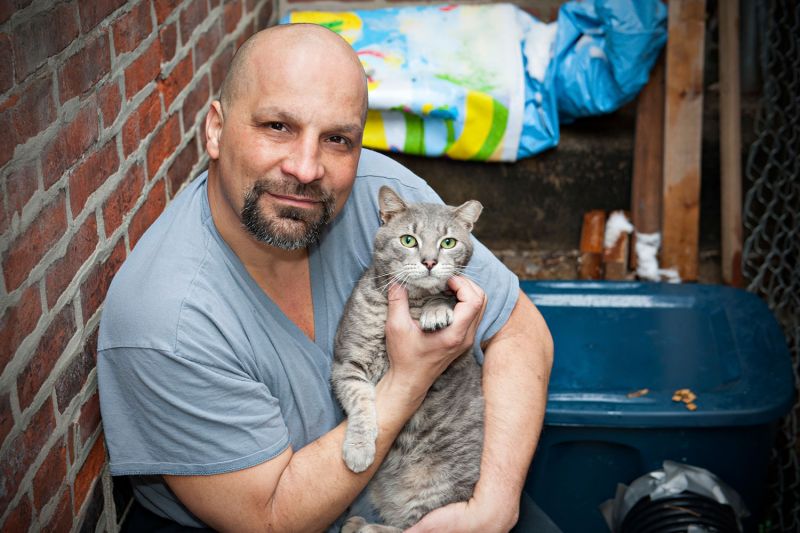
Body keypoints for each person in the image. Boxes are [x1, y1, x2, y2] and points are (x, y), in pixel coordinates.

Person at [97, 23, 555, 532]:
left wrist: (492, 507)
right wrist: (409, 376)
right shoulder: (167, 321)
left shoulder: (384, 194)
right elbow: (270, 519)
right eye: (277, 126)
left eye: (337, 139)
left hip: (437, 481)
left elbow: (519, 328)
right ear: (215, 130)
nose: (307, 167)